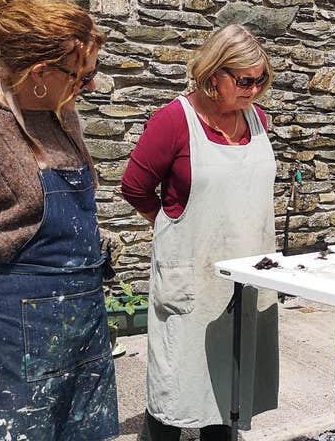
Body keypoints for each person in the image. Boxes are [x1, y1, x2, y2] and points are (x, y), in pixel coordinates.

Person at [121, 24, 279, 440]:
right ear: (214, 77)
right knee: (177, 382)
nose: (256, 89)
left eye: (262, 79)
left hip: (247, 269)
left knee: (231, 380)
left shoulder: (256, 119)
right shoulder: (174, 120)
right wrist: (170, 224)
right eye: (245, 81)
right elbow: (134, 186)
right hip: (192, 272)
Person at [0, 0, 118, 439]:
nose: (91, 85)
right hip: (13, 334)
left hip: (83, 321)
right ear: (40, 72)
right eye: (81, 76)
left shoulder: (63, 114)